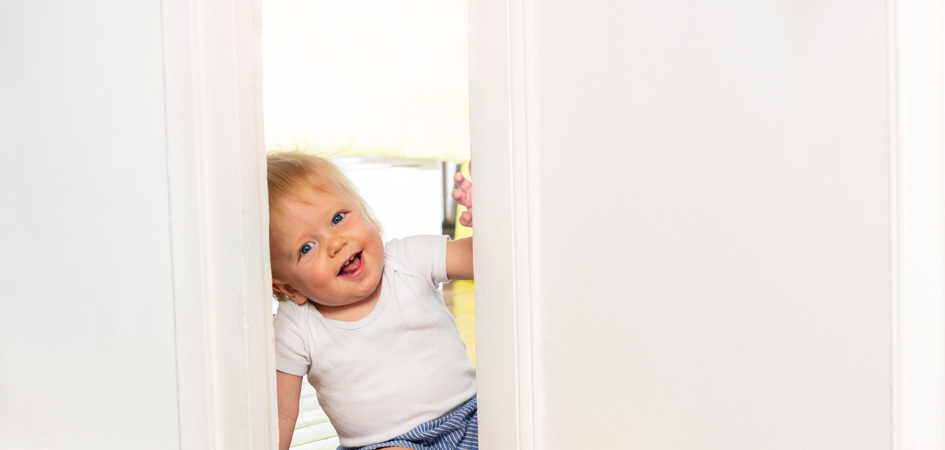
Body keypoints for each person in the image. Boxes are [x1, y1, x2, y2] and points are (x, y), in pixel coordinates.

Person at [267, 151, 477, 450]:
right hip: (385, 445)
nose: (335, 243)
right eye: (306, 247)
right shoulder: (295, 325)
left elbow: (484, 260)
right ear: (289, 287)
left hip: (472, 416)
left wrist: (489, 218)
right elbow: (281, 415)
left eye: (337, 219)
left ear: (371, 219)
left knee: (520, 418)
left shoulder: (408, 259)